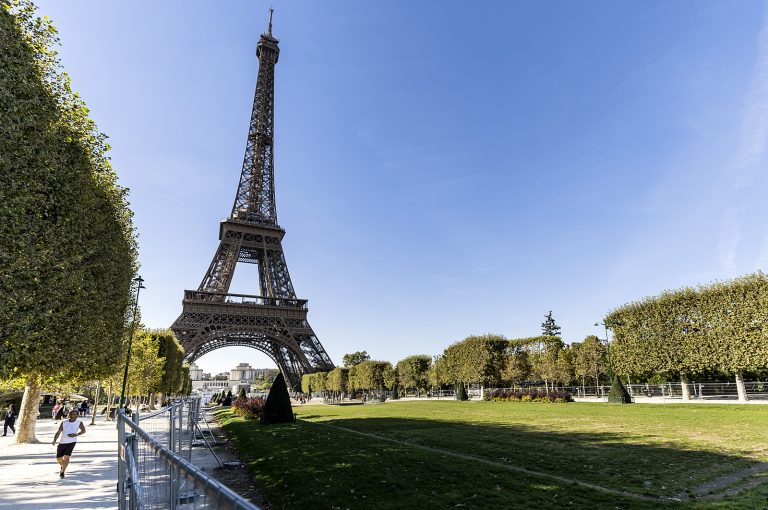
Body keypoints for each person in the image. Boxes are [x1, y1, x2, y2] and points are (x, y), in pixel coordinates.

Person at [52, 409, 86, 478]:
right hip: (62, 442)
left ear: (77, 415)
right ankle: (62, 466)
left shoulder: (79, 422)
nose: (71, 415)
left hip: (72, 442)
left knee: (66, 458)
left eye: (73, 414)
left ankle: (62, 472)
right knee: (59, 459)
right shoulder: (64, 422)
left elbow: (83, 431)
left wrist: (76, 434)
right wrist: (55, 440)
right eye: (70, 413)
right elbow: (59, 432)